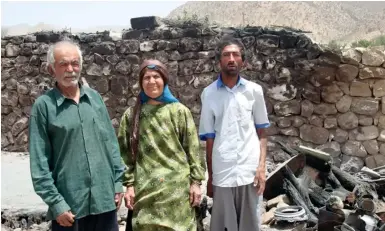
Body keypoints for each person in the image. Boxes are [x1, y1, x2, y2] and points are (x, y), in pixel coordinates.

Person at [28, 38, 125, 231]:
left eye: (75, 63)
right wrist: (57, 204)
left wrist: (118, 183)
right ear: (51, 70)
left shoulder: (95, 99)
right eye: (63, 64)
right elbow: (39, 164)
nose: (70, 69)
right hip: (70, 209)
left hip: (105, 202)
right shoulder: (44, 107)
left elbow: (111, 145)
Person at [117, 59, 206, 231]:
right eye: (146, 78)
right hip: (145, 194)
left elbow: (193, 149)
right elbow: (124, 154)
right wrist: (129, 185)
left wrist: (196, 182)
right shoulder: (132, 115)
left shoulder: (179, 112)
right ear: (141, 83)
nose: (151, 81)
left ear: (164, 79)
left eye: (156, 76)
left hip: (177, 193)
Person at [198, 37, 270, 231]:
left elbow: (262, 131)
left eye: (236, 55)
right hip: (223, 171)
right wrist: (211, 178)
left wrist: (261, 168)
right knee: (223, 226)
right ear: (219, 61)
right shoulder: (209, 94)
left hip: (250, 170)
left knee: (251, 225)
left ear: (243, 62)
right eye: (226, 55)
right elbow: (209, 139)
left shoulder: (254, 91)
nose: (231, 59)